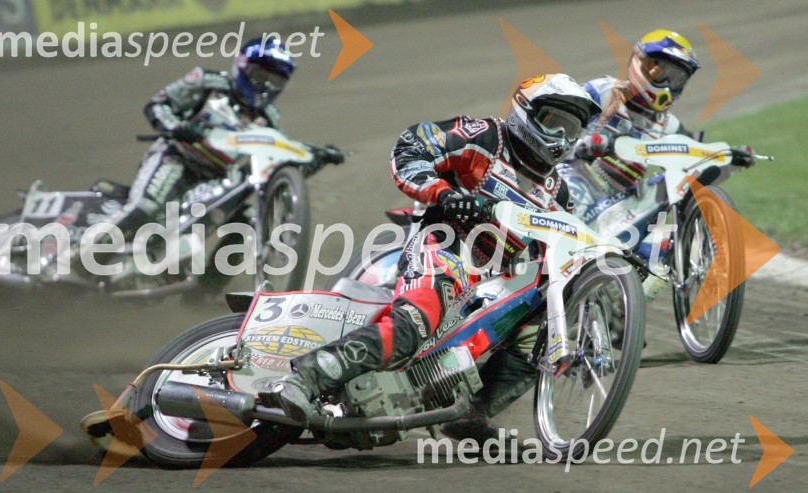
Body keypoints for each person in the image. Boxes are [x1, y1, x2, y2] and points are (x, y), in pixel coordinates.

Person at [263, 74, 602, 442]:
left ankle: (472, 414)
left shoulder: (558, 192)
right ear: (527, 112)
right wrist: (444, 194)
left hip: (495, 280)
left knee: (544, 329)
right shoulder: (486, 136)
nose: (562, 137)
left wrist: (608, 277)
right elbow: (411, 146)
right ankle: (304, 378)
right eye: (555, 123)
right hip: (446, 245)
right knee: (415, 323)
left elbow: (566, 246)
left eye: (572, 129)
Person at [95, 36, 296, 245]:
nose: (267, 86)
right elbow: (159, 104)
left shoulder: (270, 118)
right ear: (243, 67)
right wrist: (175, 127)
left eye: (276, 82)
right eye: (261, 76)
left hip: (217, 180)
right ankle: (85, 254)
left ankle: (209, 268)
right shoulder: (207, 82)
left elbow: (276, 154)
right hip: (176, 158)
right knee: (146, 208)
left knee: (249, 221)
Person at [563, 29, 701, 212]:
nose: (667, 85)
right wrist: (587, 143)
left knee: (662, 206)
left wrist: (727, 155)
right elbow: (556, 127)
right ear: (640, 64)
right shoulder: (603, 91)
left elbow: (695, 157)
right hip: (577, 177)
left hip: (621, 204)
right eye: (661, 73)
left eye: (676, 79)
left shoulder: (669, 125)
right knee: (572, 198)